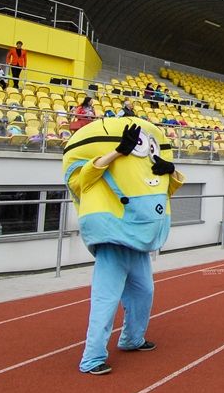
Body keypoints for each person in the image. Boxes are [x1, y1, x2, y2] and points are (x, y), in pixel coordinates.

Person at [63, 119, 183, 375]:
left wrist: (170, 169)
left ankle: (132, 338)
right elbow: (82, 178)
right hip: (112, 241)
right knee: (105, 300)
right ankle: (92, 357)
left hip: (138, 242)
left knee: (144, 293)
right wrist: (118, 152)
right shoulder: (94, 173)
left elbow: (168, 188)